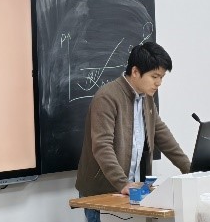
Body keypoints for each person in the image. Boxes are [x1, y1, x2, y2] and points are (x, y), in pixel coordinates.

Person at [75, 41, 191, 222]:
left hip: (132, 191)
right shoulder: (107, 97)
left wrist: (189, 169)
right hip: (102, 193)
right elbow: (102, 146)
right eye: (154, 76)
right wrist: (122, 183)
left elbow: (161, 133)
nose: (159, 83)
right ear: (135, 72)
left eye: (161, 77)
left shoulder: (146, 97)